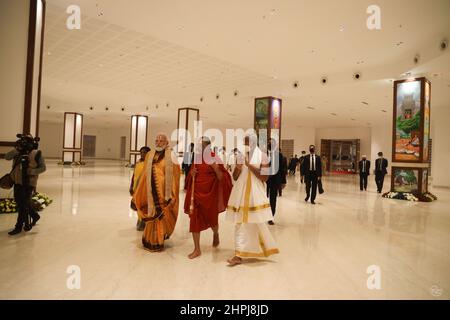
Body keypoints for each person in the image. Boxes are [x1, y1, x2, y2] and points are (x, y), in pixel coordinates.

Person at [226, 134, 279, 266]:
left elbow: (265, 177)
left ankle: (261, 249)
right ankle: (239, 254)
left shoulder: (263, 156)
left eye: (247, 141)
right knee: (240, 223)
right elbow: (236, 177)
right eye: (245, 142)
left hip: (255, 195)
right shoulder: (240, 156)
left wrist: (248, 165)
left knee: (257, 223)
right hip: (240, 194)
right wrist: (238, 168)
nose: (246, 145)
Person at [184, 137, 232, 259]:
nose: (199, 148)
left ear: (208, 147)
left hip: (210, 195)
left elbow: (223, 178)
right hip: (196, 194)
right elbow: (190, 177)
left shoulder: (215, 158)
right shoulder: (197, 158)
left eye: (202, 146)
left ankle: (216, 234)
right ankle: (197, 249)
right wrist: (191, 174)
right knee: (194, 220)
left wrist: (216, 168)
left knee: (212, 220)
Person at [133, 133, 181, 251]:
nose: (158, 142)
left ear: (166, 142)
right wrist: (138, 190)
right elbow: (144, 174)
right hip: (149, 191)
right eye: (157, 140)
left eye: (161, 140)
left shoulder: (172, 156)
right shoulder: (149, 155)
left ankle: (158, 240)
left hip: (164, 193)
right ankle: (149, 239)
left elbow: (175, 176)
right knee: (151, 214)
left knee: (160, 216)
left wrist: (171, 193)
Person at [5, 134, 46, 235]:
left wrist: (30, 171)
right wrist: (17, 149)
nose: (24, 144)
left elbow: (43, 168)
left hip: (29, 183)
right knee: (22, 203)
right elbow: (7, 157)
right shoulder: (17, 152)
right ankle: (35, 216)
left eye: (26, 142)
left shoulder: (36, 153)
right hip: (18, 181)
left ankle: (18, 227)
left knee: (23, 205)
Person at [129, 146, 151, 231]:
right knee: (137, 205)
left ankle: (143, 221)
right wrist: (131, 186)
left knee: (143, 206)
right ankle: (140, 219)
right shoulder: (138, 163)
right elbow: (134, 175)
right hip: (136, 188)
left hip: (144, 189)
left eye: (144, 152)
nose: (142, 154)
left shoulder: (149, 164)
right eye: (141, 152)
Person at [266, 139, 287, 225]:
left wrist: (283, 182)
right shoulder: (262, 154)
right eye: (269, 143)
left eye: (272, 143)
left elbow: (282, 169)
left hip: (275, 181)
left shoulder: (279, 155)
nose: (270, 145)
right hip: (263, 181)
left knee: (273, 199)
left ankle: (270, 217)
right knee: (263, 199)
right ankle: (261, 216)